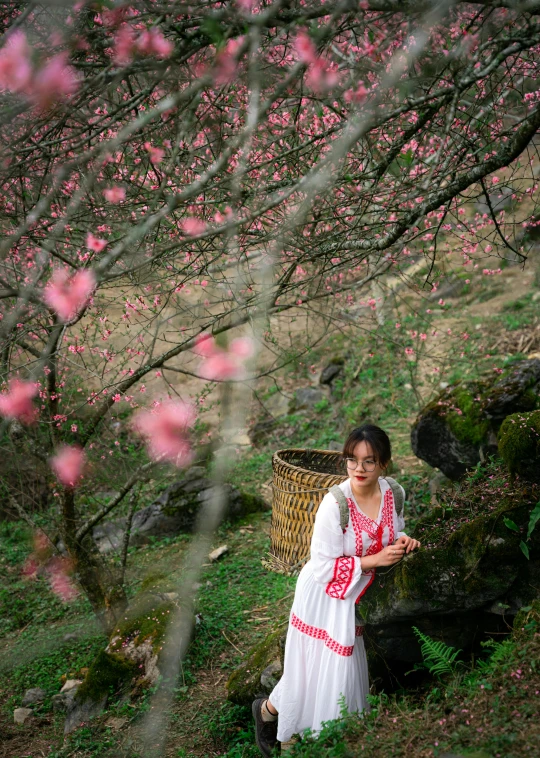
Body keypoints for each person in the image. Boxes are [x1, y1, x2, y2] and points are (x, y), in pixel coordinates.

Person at [252, 424, 421, 756]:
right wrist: (374, 560)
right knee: (313, 668)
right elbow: (324, 565)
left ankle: (272, 714)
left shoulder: (393, 494)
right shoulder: (336, 504)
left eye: (369, 461)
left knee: (329, 670)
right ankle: (290, 732)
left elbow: (392, 532)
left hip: (353, 592)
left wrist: (404, 540)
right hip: (323, 594)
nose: (359, 469)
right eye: (353, 460)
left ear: (383, 463)